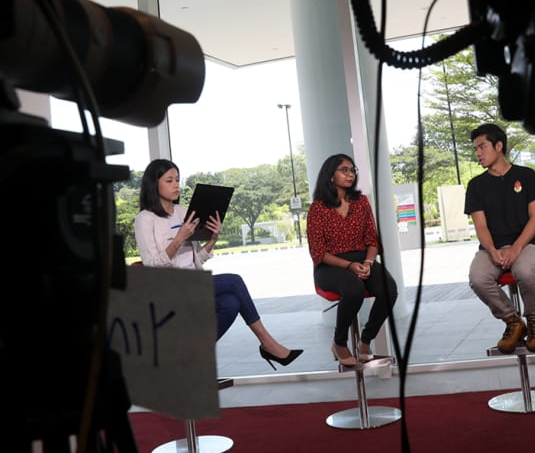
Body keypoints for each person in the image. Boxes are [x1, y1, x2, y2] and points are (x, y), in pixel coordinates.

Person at [135, 158, 303, 370]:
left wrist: (212, 240)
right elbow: (151, 267)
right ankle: (267, 343)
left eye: (177, 179)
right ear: (154, 184)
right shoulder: (145, 219)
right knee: (234, 281)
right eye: (169, 180)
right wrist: (178, 239)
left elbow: (196, 258)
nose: (176, 184)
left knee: (231, 303)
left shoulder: (183, 211)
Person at [306, 154, 398, 367]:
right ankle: (339, 343)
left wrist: (367, 263)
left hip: (361, 259)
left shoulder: (361, 201)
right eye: (344, 170)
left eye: (352, 170)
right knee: (354, 288)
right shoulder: (318, 209)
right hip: (330, 265)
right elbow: (318, 252)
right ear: (331, 176)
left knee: (389, 289)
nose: (350, 174)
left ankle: (365, 340)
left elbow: (372, 240)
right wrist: (349, 266)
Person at [464, 123, 535, 354]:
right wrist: (492, 250)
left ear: (499, 146)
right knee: (478, 278)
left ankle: (534, 320)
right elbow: (480, 225)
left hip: (528, 245)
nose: (478, 153)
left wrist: (516, 248)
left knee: (524, 271)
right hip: (492, 248)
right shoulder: (476, 186)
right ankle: (513, 321)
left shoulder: (527, 176)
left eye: (482, 147)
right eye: (475, 149)